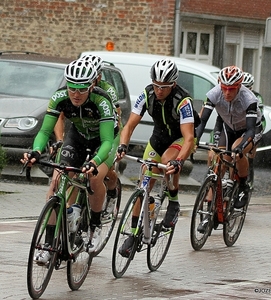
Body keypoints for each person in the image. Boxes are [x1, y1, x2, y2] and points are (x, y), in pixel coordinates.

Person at [21, 59, 119, 261]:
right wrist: (36, 151)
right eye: (72, 88)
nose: (75, 94)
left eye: (81, 89)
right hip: (78, 137)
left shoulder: (102, 100)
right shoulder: (59, 97)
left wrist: (94, 161)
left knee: (94, 178)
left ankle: (95, 226)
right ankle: (48, 244)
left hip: (104, 141)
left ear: (92, 85)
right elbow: (44, 131)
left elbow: (108, 141)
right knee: (57, 183)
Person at [116, 58, 197, 257]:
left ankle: (174, 202)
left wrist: (179, 162)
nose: (159, 90)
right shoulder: (147, 94)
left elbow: (188, 137)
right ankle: (133, 233)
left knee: (168, 162)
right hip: (157, 139)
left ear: (173, 84)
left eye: (164, 87)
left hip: (179, 139)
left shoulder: (183, 101)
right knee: (143, 185)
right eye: (156, 85)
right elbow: (129, 125)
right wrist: (123, 146)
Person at [52, 54, 122, 218]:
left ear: (97, 75)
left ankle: (112, 192)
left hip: (106, 132)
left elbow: (116, 116)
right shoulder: (74, 90)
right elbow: (59, 116)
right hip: (82, 133)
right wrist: (60, 140)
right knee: (72, 172)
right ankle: (72, 211)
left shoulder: (107, 91)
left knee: (102, 173)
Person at [196, 66, 263, 223]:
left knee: (236, 151)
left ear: (239, 86)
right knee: (221, 159)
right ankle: (212, 207)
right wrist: (195, 139)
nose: (227, 92)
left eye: (231, 89)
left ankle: (243, 187)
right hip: (229, 127)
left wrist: (241, 148)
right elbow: (203, 120)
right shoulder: (214, 93)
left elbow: (251, 130)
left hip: (249, 130)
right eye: (224, 88)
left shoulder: (249, 99)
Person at [242, 72, 266, 185]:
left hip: (257, 122)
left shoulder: (257, 97)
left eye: (247, 87)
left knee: (251, 151)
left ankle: (249, 174)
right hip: (241, 124)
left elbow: (259, 117)